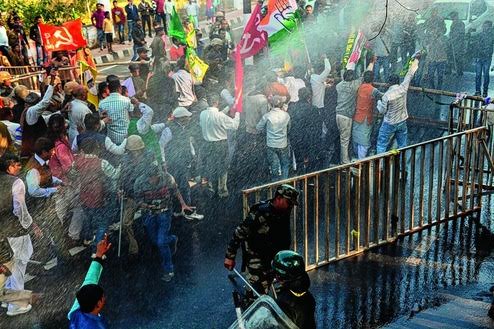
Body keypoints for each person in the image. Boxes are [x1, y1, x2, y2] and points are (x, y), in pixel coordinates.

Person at [224, 184, 299, 294]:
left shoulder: (284, 211)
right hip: (257, 260)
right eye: (289, 202)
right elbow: (240, 233)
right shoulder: (260, 212)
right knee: (256, 294)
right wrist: (230, 257)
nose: (291, 206)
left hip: (274, 258)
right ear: (278, 198)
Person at [133, 162, 193, 281]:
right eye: (151, 178)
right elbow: (138, 201)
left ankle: (169, 270)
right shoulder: (139, 183)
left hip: (165, 212)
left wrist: (183, 204)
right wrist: (148, 206)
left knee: (161, 242)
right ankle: (172, 239)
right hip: (149, 214)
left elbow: (175, 190)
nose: (154, 180)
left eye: (156, 177)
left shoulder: (167, 177)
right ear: (147, 177)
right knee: (155, 239)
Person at [0, 153, 41, 316]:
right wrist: (31, 226)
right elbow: (20, 210)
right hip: (16, 231)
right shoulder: (17, 182)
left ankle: (7, 299)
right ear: (9, 167)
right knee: (18, 265)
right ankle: (16, 305)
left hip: (2, 233)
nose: (19, 166)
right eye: (16, 164)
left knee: (7, 266)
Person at [75, 138, 120, 253]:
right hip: (98, 196)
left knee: (88, 217)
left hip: (84, 195)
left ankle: (87, 238)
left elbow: (73, 174)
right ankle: (97, 247)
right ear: (96, 149)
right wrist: (120, 167)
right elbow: (114, 175)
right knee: (102, 222)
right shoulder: (102, 163)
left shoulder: (77, 161)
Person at [199, 93, 239, 198]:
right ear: (217, 102)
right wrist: (237, 113)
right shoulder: (220, 116)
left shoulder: (202, 114)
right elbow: (234, 125)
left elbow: (215, 116)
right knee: (223, 167)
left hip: (207, 144)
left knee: (211, 167)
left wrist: (227, 108)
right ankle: (222, 191)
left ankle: (211, 189)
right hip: (220, 145)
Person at [376, 58, 419, 153]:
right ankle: (403, 165)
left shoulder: (386, 96)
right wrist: (416, 60)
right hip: (402, 121)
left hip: (389, 123)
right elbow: (409, 74)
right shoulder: (403, 88)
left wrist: (378, 103)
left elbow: (382, 111)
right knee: (402, 145)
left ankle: (380, 165)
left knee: (381, 144)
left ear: (389, 83)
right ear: (398, 81)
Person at [68, 235, 111, 329]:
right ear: (98, 304)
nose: (105, 297)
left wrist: (99, 255)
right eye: (102, 297)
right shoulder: (98, 327)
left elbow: (90, 280)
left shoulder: (76, 312)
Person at [335, 60, 374, 164]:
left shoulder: (338, 86)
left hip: (338, 114)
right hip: (346, 117)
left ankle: (340, 158)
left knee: (341, 137)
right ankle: (344, 161)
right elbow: (364, 77)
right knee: (345, 140)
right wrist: (371, 63)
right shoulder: (354, 86)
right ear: (352, 78)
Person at [272, 250, 316, 329]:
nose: (275, 277)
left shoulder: (284, 303)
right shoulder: (308, 296)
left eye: (277, 274)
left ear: (284, 277)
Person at [257, 88, 291, 181]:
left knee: (274, 166)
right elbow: (289, 129)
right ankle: (284, 182)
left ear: (271, 104)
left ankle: (274, 185)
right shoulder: (286, 115)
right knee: (285, 164)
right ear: (280, 105)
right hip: (283, 144)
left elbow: (258, 127)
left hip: (271, 144)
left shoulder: (267, 116)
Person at [288, 87, 322, 173]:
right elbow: (318, 126)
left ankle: (300, 177)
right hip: (309, 139)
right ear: (309, 97)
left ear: (299, 96)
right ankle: (309, 177)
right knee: (311, 159)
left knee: (299, 159)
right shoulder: (313, 109)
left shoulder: (292, 107)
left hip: (296, 137)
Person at [352, 71, 383, 160]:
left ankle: (356, 157)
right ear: (372, 79)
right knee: (364, 140)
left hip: (357, 116)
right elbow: (383, 96)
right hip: (366, 117)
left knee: (356, 138)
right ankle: (361, 160)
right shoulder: (373, 90)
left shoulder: (359, 87)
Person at [98, 78, 133, 145]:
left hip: (111, 139)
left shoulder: (102, 103)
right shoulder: (127, 100)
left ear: (109, 88)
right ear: (120, 88)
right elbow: (131, 115)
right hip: (126, 137)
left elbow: (102, 119)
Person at [469, 20, 494, 97]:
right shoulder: (481, 35)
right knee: (479, 75)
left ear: (489, 27)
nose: (484, 27)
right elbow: (476, 46)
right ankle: (479, 91)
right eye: (484, 26)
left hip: (485, 58)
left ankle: (482, 91)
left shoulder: (491, 36)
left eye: (486, 26)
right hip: (481, 57)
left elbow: (478, 46)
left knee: (483, 75)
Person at [449, 11, 465, 76]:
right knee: (453, 57)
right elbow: (452, 32)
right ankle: (455, 70)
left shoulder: (460, 23)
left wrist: (454, 39)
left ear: (456, 16)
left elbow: (460, 34)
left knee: (458, 58)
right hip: (454, 43)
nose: (451, 18)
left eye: (452, 17)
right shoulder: (453, 23)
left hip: (459, 43)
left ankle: (459, 71)